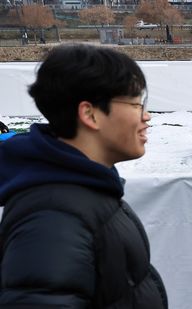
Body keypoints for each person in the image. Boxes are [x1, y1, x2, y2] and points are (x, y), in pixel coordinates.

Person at [0, 44, 167, 308]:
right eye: (136, 104)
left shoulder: (83, 190)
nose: (146, 116)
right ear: (89, 114)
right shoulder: (52, 217)